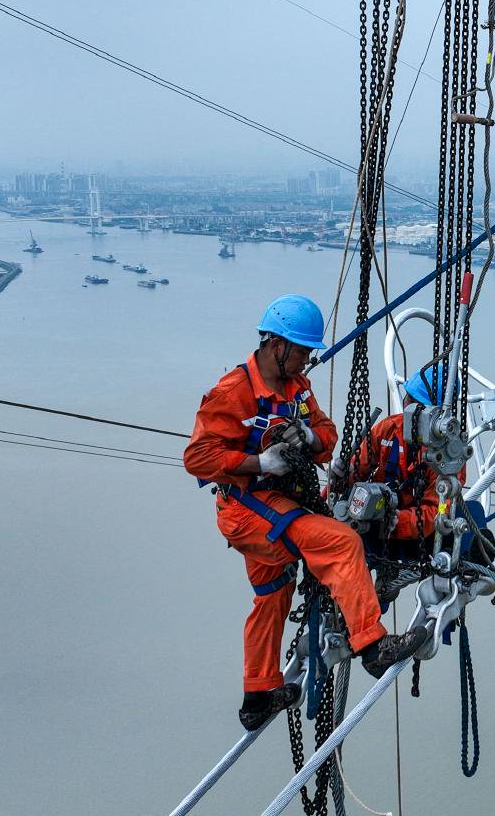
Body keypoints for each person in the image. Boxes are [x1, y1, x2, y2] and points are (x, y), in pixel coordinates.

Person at [184, 293, 430, 731]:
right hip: (248, 509)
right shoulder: (234, 392)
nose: (306, 360)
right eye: (301, 351)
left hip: (277, 505)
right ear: (276, 344)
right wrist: (259, 462)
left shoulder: (296, 388)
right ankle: (373, 646)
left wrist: (307, 437)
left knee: (273, 592)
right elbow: (197, 457)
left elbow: (327, 435)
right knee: (341, 542)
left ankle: (257, 695)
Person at [347, 364, 465, 570]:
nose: (408, 407)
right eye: (408, 399)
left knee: (460, 514)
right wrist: (342, 475)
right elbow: (358, 467)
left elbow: (437, 510)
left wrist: (398, 521)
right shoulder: (388, 429)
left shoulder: (448, 457)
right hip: (379, 526)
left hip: (422, 539)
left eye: (417, 405)